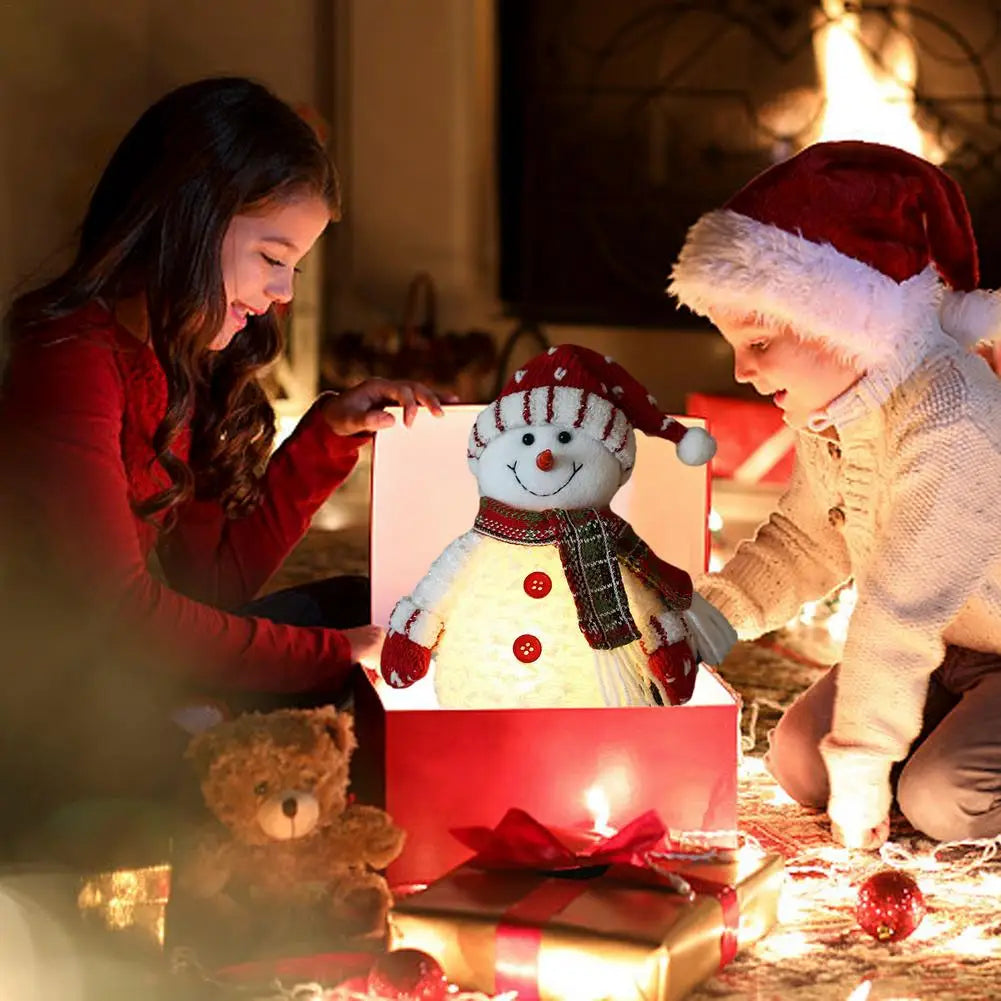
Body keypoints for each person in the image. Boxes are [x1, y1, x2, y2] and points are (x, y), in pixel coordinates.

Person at [0, 77, 444, 832]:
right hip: (59, 713)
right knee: (342, 657)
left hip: (147, 675)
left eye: (294, 266)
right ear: (189, 218)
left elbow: (213, 589)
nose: (282, 293)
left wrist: (325, 442)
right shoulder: (71, 358)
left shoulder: (180, 359)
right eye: (273, 256)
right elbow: (125, 616)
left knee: (371, 603)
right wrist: (332, 653)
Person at [669, 140, 1001, 850]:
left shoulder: (950, 412)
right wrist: (704, 623)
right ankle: (931, 743)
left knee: (941, 799)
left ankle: (927, 768)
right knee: (794, 760)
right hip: (949, 642)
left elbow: (901, 603)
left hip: (960, 630)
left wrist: (862, 763)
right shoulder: (835, 408)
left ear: (844, 322)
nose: (743, 369)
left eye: (758, 342)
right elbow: (802, 539)